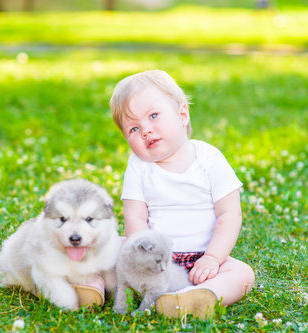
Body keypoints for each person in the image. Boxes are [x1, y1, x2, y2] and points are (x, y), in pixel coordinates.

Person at [109, 70, 255, 319]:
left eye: (153, 116)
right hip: (154, 259)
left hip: (203, 258)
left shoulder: (209, 158)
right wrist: (142, 260)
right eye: (133, 128)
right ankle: (89, 287)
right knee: (109, 247)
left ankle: (200, 296)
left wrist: (212, 258)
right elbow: (134, 217)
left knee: (242, 273)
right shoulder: (138, 166)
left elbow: (229, 214)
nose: (145, 130)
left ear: (182, 114)